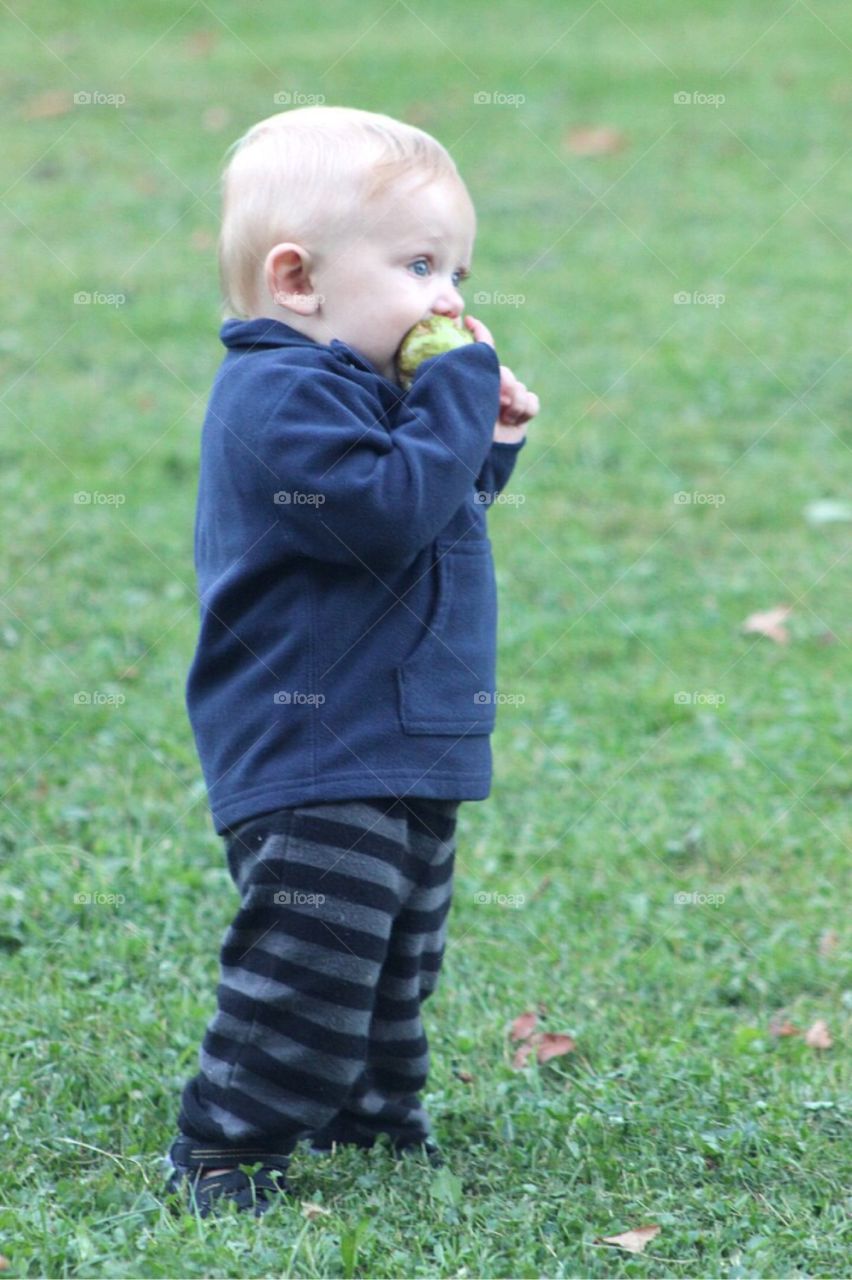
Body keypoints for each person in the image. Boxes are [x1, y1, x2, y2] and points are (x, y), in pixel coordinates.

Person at [164, 104, 540, 1217]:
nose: (450, 298)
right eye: (421, 264)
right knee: (313, 964)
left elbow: (428, 516)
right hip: (316, 736)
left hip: (403, 733)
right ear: (297, 278)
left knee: (393, 958)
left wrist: (490, 449)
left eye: (459, 268)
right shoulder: (279, 395)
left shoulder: (365, 391)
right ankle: (224, 1146)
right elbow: (382, 514)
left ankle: (373, 1114)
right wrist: (460, 396)